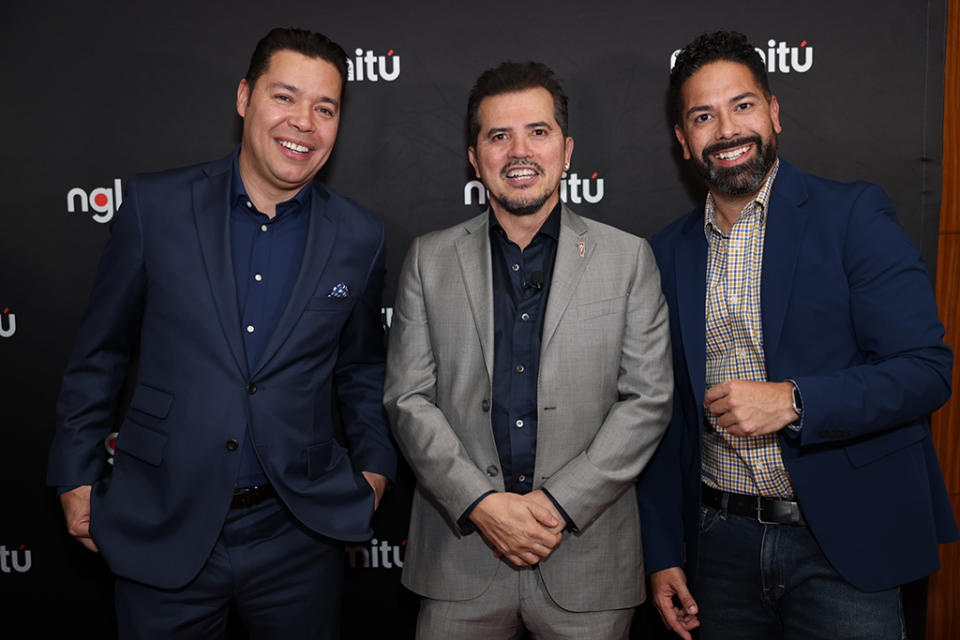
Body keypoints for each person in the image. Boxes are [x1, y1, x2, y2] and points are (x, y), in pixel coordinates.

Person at [46, 27, 396, 639]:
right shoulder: (155, 207)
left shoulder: (360, 237)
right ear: (244, 97)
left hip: (300, 535)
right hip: (162, 521)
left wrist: (373, 471)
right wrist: (75, 475)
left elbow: (362, 369)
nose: (304, 123)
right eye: (285, 97)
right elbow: (100, 355)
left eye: (325, 107)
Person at [636, 30, 958, 640]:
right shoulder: (663, 253)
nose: (727, 130)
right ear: (683, 141)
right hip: (717, 550)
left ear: (774, 111)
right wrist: (662, 551)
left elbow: (925, 369)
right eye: (704, 116)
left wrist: (793, 400)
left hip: (842, 546)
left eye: (743, 105)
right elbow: (661, 417)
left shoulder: (853, 215)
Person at [383, 60, 673, 639]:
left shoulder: (627, 257)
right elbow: (408, 399)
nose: (520, 151)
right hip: (458, 560)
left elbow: (648, 400)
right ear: (475, 157)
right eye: (499, 135)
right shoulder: (428, 259)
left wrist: (554, 508)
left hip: (584, 561)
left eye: (537, 132)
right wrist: (484, 506)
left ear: (566, 150)